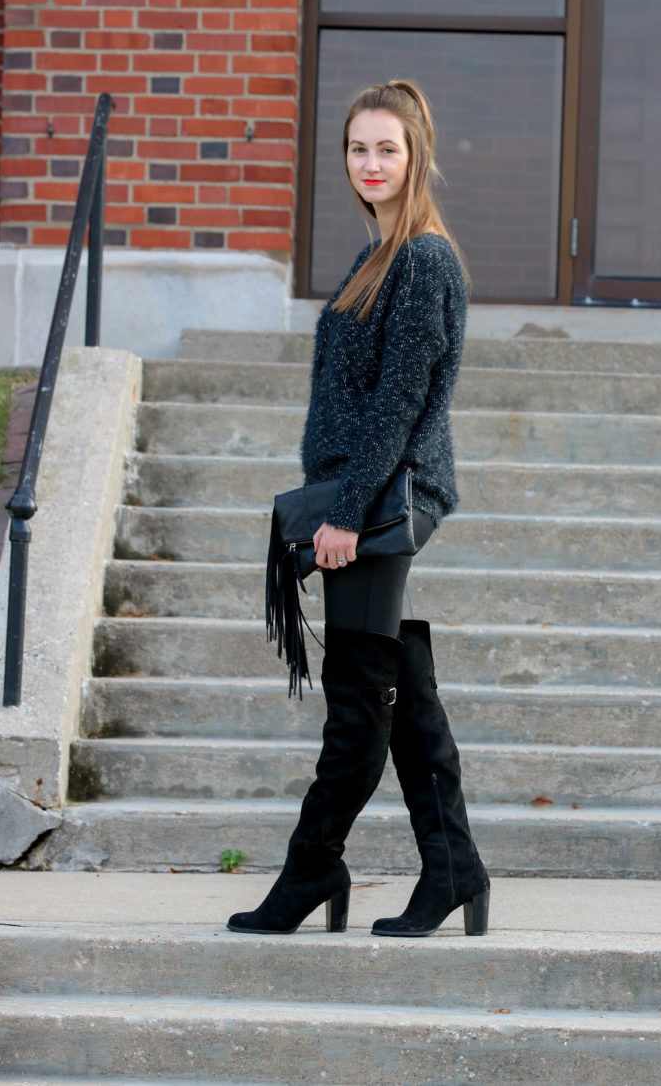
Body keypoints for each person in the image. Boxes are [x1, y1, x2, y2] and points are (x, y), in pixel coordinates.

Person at [227, 79, 490, 938]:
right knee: (396, 682)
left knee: (354, 700)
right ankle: (453, 865)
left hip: (380, 501)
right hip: (364, 495)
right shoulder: (373, 256)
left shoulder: (423, 259)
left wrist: (343, 512)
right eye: (357, 148)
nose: (369, 164)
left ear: (417, 156)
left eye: (387, 149)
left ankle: (311, 870)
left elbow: (399, 404)